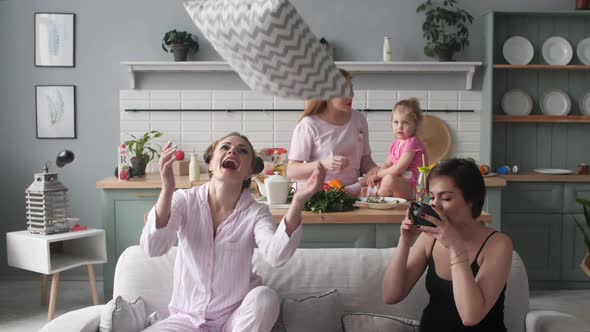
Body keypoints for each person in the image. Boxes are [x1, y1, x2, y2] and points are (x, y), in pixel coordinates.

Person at [140, 132, 326, 332]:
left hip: (235, 321)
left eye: (242, 150)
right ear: (211, 163)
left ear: (249, 171)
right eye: (225, 147)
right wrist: (167, 189)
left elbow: (276, 255)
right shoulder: (183, 200)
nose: (232, 151)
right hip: (186, 321)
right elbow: (153, 248)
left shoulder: (256, 212)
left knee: (264, 297)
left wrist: (298, 201)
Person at [382, 158, 513, 331]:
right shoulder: (430, 238)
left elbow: (470, 316)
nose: (434, 204)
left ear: (471, 199)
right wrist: (405, 241)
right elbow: (391, 295)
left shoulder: (498, 245)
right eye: (432, 196)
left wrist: (455, 247)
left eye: (445, 198)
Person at [287, 69, 379, 196]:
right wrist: (322, 164)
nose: (350, 95)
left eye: (351, 89)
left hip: (350, 193)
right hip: (316, 195)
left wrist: (378, 172)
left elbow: (365, 160)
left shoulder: (359, 119)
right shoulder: (309, 124)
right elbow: (291, 171)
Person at [366, 98, 428, 200]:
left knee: (388, 179)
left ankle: (376, 196)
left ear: (415, 125)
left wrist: (379, 175)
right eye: (396, 122)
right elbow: (387, 164)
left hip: (414, 190)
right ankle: (372, 191)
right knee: (375, 173)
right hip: (400, 184)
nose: (399, 127)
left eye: (405, 123)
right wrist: (377, 175)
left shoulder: (413, 142)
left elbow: (399, 168)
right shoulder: (396, 144)